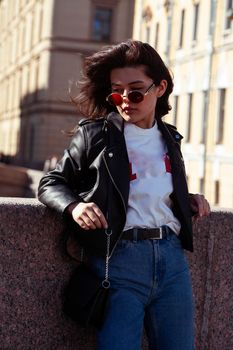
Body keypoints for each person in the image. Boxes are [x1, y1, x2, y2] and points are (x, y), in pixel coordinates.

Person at [38, 40, 210, 350]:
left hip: (172, 262)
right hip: (119, 262)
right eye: (117, 92)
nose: (125, 101)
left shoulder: (170, 137)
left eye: (135, 91)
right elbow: (51, 182)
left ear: (160, 88)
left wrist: (189, 199)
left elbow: (154, 189)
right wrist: (74, 206)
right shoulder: (96, 135)